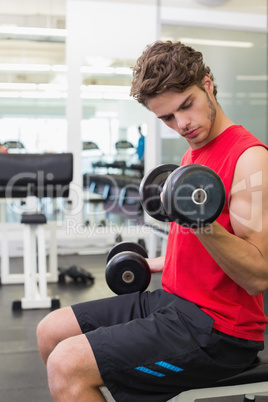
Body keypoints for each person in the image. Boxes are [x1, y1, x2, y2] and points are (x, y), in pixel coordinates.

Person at [36, 40, 268, 402]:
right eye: (167, 118)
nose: (182, 124)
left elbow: (258, 276)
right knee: (51, 331)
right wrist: (148, 263)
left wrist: (198, 221)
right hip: (175, 301)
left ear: (207, 83)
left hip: (219, 329)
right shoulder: (195, 154)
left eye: (186, 106)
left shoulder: (249, 157)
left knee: (67, 364)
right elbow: (195, 252)